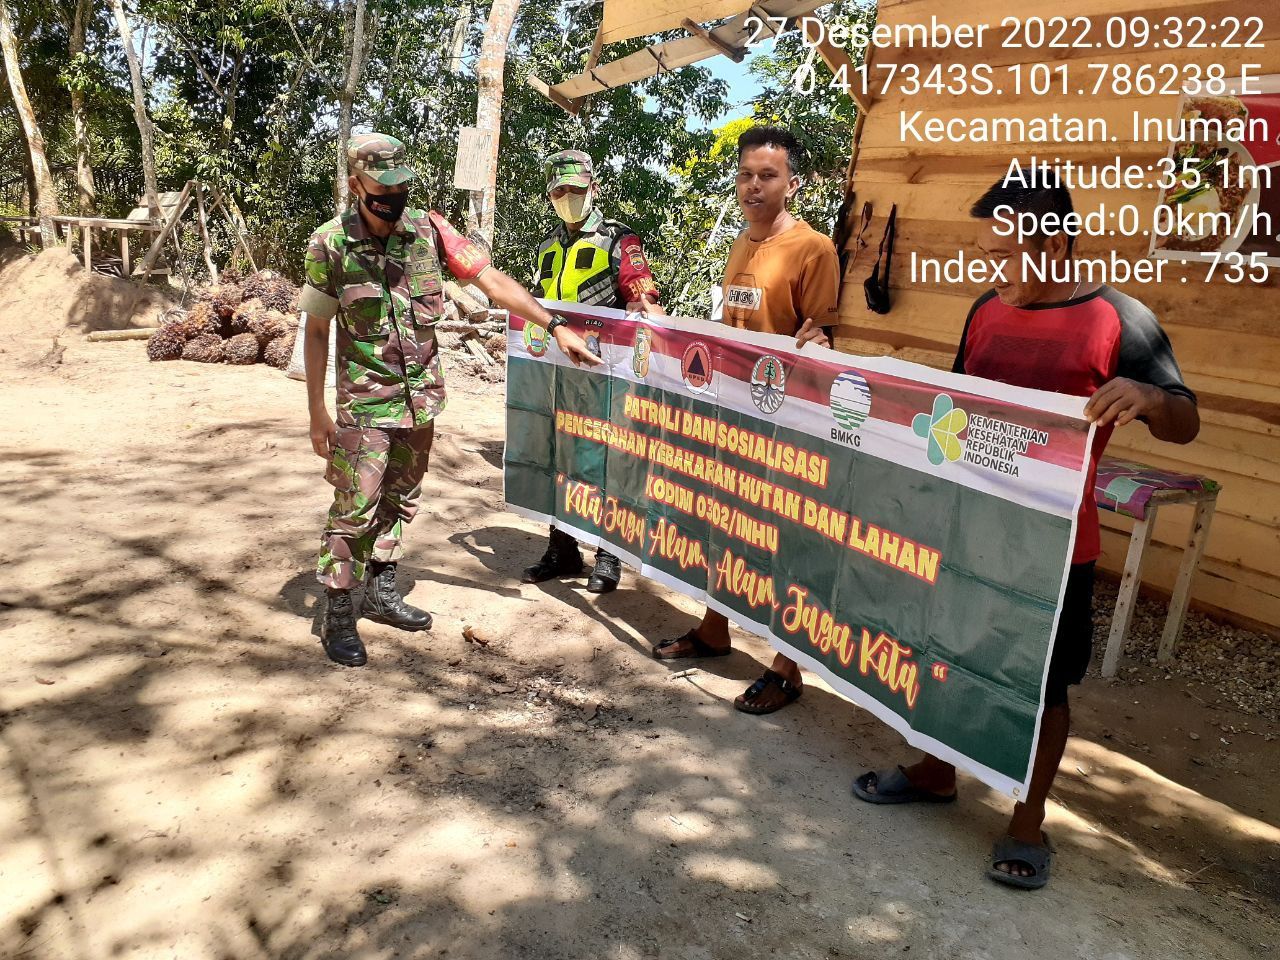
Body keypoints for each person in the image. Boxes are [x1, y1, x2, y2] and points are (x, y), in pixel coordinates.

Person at [851, 175, 1200, 890]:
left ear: (1058, 245)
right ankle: (937, 768)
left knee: (1043, 684)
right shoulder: (986, 310)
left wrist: (1149, 396)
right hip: (970, 527)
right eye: (986, 255)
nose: (992, 270)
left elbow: (1186, 422)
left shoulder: (1120, 320)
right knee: (948, 652)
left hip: (1056, 545)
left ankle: (1027, 820)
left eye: (1006, 256)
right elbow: (956, 405)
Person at [301, 133, 599, 668]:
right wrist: (316, 411)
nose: (394, 198)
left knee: (400, 499)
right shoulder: (329, 243)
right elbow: (318, 330)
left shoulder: (430, 230)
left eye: (402, 186)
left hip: (421, 401)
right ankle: (338, 610)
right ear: (356, 185)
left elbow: (491, 281)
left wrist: (554, 326)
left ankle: (381, 590)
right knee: (354, 508)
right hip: (364, 404)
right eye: (382, 189)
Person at [647, 126, 838, 716]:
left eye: (768, 176)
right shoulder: (739, 244)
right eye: (746, 175)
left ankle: (787, 667)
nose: (754, 186)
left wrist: (822, 342)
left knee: (784, 544)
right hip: (733, 416)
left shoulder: (814, 250)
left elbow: (828, 341)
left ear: (793, 184)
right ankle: (714, 630)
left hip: (788, 425)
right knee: (725, 525)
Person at [521, 149, 662, 595]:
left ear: (593, 188)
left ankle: (608, 553)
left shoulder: (619, 240)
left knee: (607, 460)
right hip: (557, 373)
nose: (568, 197)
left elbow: (642, 295)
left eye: (576, 189)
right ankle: (562, 547)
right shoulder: (546, 245)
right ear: (550, 195)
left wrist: (649, 317)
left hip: (606, 373)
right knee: (558, 455)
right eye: (560, 191)